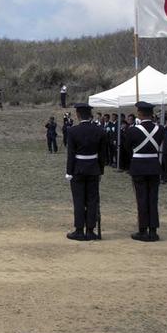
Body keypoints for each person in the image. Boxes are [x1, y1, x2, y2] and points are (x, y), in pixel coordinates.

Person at [65, 103, 107, 241]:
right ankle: (90, 230)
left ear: (78, 115)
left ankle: (79, 230)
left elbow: (71, 154)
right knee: (92, 200)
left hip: (78, 168)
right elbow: (102, 154)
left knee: (79, 200)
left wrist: (69, 172)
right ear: (90, 116)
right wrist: (100, 170)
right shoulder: (99, 130)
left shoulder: (72, 131)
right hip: (93, 168)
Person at [124, 102, 163, 242]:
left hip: (139, 166)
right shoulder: (160, 129)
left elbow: (127, 148)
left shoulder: (132, 130)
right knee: (153, 199)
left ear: (139, 114)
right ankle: (153, 230)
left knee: (141, 199)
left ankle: (143, 229)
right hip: (153, 166)